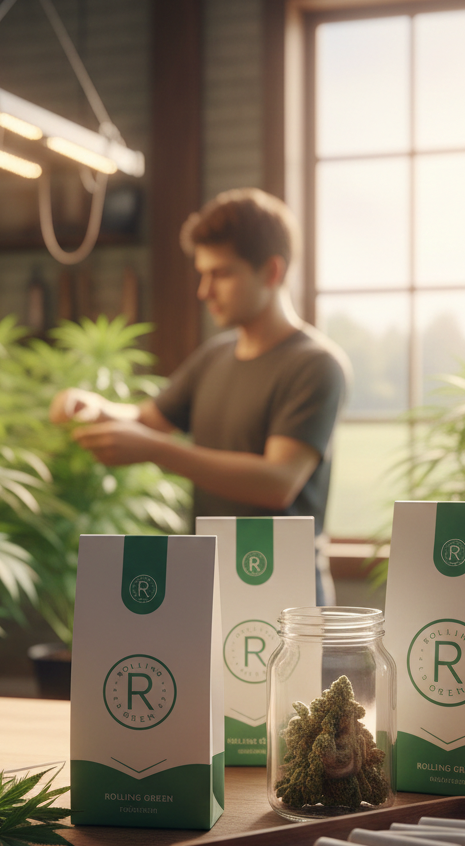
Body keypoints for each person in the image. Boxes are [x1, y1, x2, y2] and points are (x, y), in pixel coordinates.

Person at [49, 188, 350, 603]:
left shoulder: (316, 365)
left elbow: (278, 481)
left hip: (289, 594)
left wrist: (157, 450)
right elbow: (147, 419)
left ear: (272, 272)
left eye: (221, 274)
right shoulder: (215, 357)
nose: (204, 291)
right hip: (213, 582)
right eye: (202, 274)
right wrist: (93, 407)